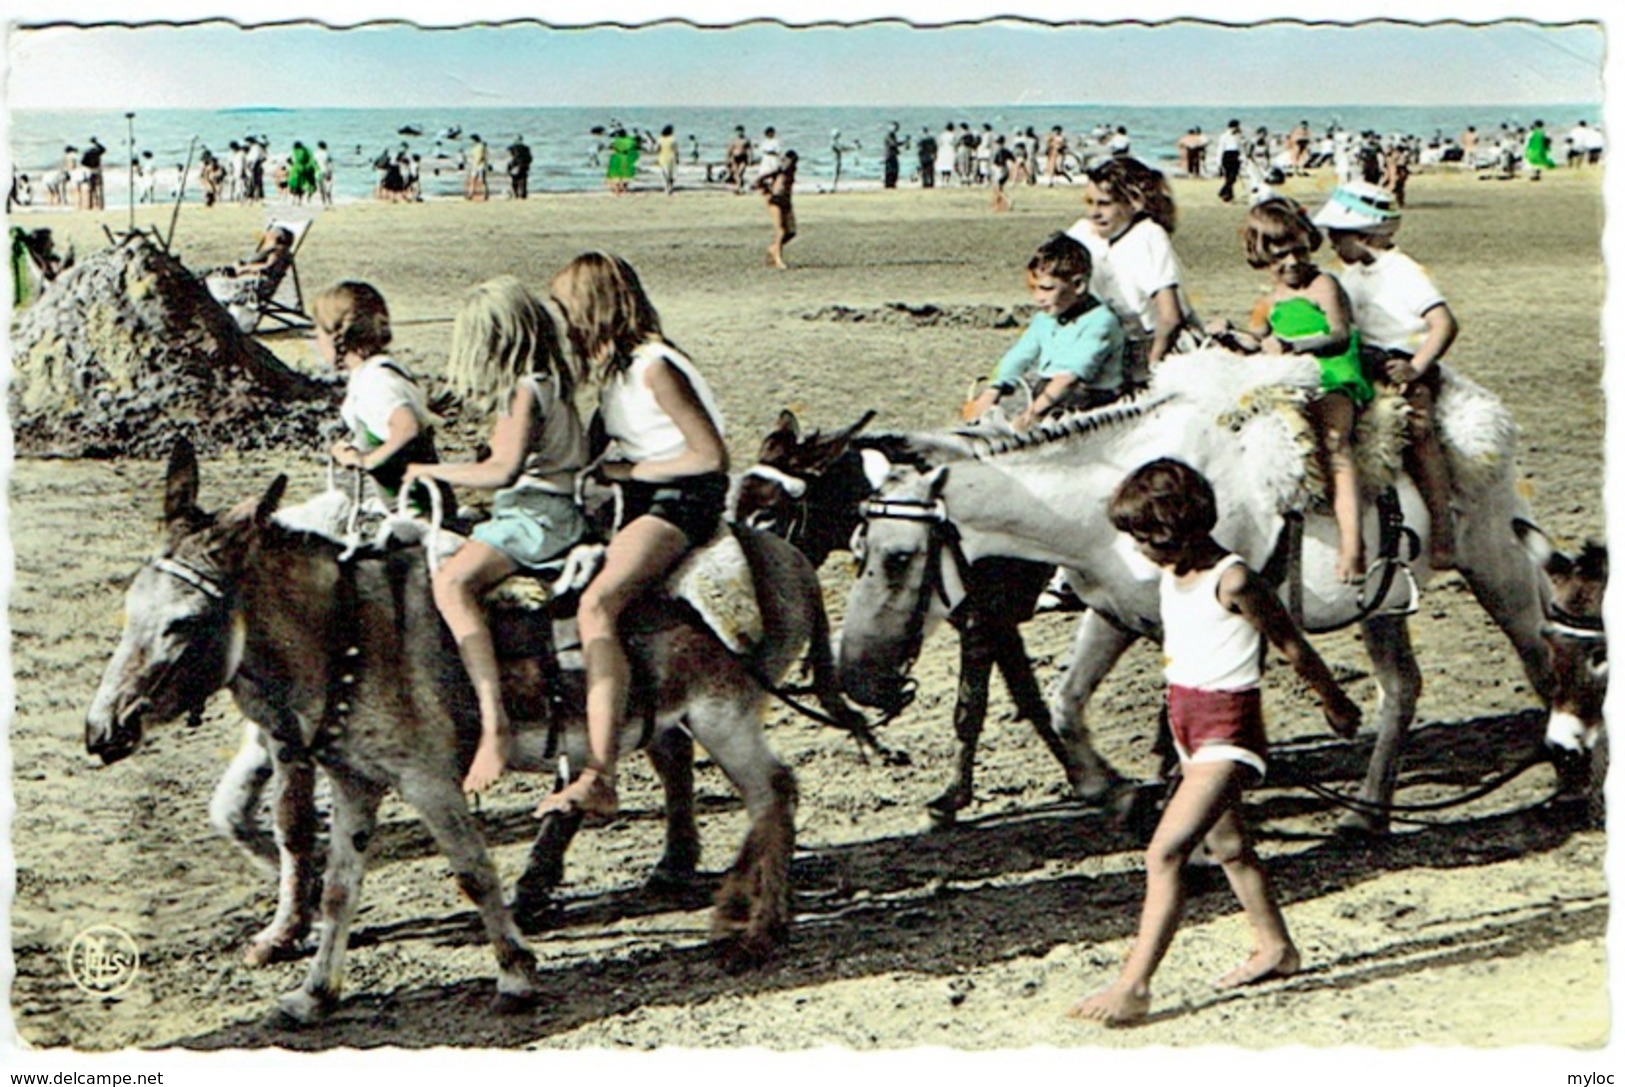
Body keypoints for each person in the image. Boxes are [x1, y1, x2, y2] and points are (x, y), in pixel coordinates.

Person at [1068, 457, 1359, 1027]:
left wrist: (1335, 703)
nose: (1139, 552)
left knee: (1165, 851)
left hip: (1229, 732)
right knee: (1230, 849)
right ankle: (1277, 948)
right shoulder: (1174, 574)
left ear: (1176, 533)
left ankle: (1134, 985)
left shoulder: (1236, 580)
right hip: (1187, 726)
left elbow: (1292, 647)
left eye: (1145, 540)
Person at [536, 252, 730, 819]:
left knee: (597, 605)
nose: (566, 325)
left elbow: (711, 455)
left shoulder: (656, 367)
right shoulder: (617, 374)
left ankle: (600, 772)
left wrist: (630, 473)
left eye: (569, 311)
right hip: (647, 496)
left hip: (683, 500)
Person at [401, 277, 589, 794]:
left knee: (453, 584)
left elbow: (503, 471)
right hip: (549, 508)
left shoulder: (522, 392)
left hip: (533, 517)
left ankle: (494, 723)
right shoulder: (550, 380)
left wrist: (431, 472)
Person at [1210, 197, 1369, 583]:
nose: (1293, 262)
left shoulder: (1323, 285)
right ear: (1263, 257)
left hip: (1330, 374)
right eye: (1281, 256)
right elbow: (1258, 340)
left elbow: (1338, 334)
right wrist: (1229, 334)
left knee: (1336, 446)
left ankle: (1353, 544)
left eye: (1299, 251)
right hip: (1289, 378)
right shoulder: (1269, 300)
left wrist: (1296, 347)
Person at [1313, 181, 1459, 570]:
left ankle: (1443, 522)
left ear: (1363, 236)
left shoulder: (1404, 271)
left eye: (1336, 235)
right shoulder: (1348, 272)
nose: (1330, 242)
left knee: (1417, 427)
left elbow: (1444, 323)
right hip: (1362, 358)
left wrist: (1417, 366)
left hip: (1401, 360)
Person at [964, 232, 1126, 430]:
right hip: (1050, 390)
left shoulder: (1101, 322)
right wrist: (992, 391)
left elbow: (1069, 378)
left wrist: (1032, 414)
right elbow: (1019, 356)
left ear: (1078, 285)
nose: (1038, 298)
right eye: (1034, 289)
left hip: (1088, 398)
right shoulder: (1045, 318)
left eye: (1047, 289)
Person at [1064, 157, 1197, 384]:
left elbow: (1169, 317)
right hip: (1104, 340)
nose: (1094, 213)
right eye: (1090, 202)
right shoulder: (1082, 232)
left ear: (1134, 203)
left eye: (1104, 204)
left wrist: (1152, 366)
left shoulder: (1148, 236)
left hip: (1154, 342)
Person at [756, 149, 798, 269]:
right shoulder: (779, 171)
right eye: (788, 161)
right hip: (775, 200)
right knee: (780, 230)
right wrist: (766, 190)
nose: (790, 163)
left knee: (791, 232)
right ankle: (778, 259)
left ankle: (774, 248)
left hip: (786, 202)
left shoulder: (792, 172)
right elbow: (759, 179)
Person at [606, 127, 639, 195]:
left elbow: (612, 147)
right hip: (626, 157)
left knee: (616, 174)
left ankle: (617, 189)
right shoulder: (630, 140)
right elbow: (634, 146)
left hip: (617, 157)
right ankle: (624, 188)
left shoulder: (616, 140)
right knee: (626, 174)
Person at [1217, 119, 1243, 202]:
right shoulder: (1224, 136)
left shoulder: (1238, 135)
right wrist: (1219, 161)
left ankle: (1225, 193)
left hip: (1236, 155)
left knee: (1233, 177)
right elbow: (1220, 148)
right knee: (1229, 176)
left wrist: (1242, 157)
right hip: (1227, 155)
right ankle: (1227, 194)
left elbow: (1241, 147)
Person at [882, 122, 907, 189]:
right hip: (889, 156)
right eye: (895, 128)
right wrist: (903, 142)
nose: (896, 129)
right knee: (890, 171)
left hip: (893, 155)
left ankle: (892, 184)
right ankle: (889, 184)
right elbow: (893, 144)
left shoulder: (893, 135)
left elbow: (894, 145)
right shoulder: (888, 135)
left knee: (895, 170)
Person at [655, 124, 679, 195]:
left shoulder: (660, 139)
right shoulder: (673, 139)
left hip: (662, 157)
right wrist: (677, 158)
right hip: (671, 156)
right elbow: (676, 150)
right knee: (672, 173)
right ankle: (670, 187)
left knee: (665, 173)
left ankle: (666, 187)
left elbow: (657, 149)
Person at [506, 135, 532, 199]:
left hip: (515, 165)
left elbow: (510, 156)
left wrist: (509, 166)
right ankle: (523, 194)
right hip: (524, 165)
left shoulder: (512, 147)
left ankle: (516, 193)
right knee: (523, 180)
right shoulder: (526, 148)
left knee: (514, 180)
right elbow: (530, 158)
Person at [465, 134, 489, 200]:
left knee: (482, 181)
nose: (471, 142)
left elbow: (482, 156)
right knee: (473, 180)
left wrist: (477, 163)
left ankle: (486, 194)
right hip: (475, 165)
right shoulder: (474, 147)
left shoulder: (481, 146)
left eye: (471, 140)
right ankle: (470, 194)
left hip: (480, 165)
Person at [315, 141, 334, 207]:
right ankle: (330, 201)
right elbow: (330, 164)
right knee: (328, 187)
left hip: (318, 172)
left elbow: (314, 164)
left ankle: (323, 202)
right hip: (326, 171)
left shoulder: (316, 154)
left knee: (321, 188)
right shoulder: (327, 154)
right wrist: (330, 172)